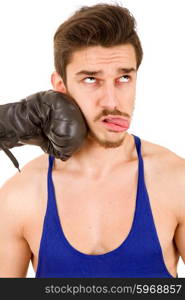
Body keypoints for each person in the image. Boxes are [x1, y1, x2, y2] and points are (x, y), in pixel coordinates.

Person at [0, 2, 184, 278]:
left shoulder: (175, 181)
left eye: (124, 77)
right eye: (90, 79)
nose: (112, 101)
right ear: (60, 87)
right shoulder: (20, 196)